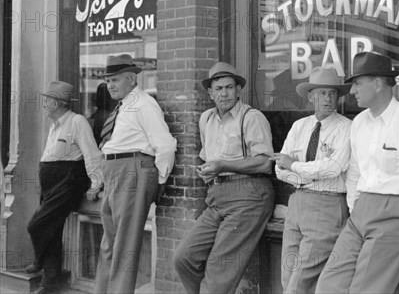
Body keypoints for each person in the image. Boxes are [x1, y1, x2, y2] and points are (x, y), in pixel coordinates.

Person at [315, 51, 399, 293]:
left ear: (378, 84)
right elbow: (355, 172)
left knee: (365, 290)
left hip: (395, 211)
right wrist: (355, 209)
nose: (353, 91)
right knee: (327, 285)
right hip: (361, 211)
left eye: (357, 83)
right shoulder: (359, 123)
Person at [173, 62, 275, 294]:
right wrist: (208, 170)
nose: (224, 93)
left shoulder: (251, 117)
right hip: (217, 196)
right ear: (210, 93)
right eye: (218, 89)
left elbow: (265, 162)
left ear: (238, 90)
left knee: (219, 275)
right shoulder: (206, 119)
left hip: (249, 195)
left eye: (230, 87)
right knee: (184, 258)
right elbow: (207, 158)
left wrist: (223, 165)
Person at [94, 54, 177, 294]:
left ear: (131, 78)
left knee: (124, 244)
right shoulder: (123, 106)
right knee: (109, 243)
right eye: (108, 81)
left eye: (115, 80)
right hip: (114, 172)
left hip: (132, 170)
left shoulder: (144, 104)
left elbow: (165, 145)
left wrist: (158, 182)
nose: (110, 85)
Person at [271, 67, 352, 294]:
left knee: (298, 284)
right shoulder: (300, 126)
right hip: (296, 203)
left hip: (326, 206)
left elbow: (332, 168)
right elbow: (279, 169)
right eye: (322, 93)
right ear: (310, 96)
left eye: (332, 93)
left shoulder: (346, 127)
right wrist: (302, 172)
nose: (327, 98)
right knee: (287, 278)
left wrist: (295, 166)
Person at [27, 81, 103, 294]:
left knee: (37, 225)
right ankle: (49, 283)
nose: (43, 104)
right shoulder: (54, 126)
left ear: (58, 103)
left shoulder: (77, 121)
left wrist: (96, 183)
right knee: (51, 231)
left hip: (68, 182)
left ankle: (39, 261)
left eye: (47, 100)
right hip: (51, 184)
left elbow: (92, 153)